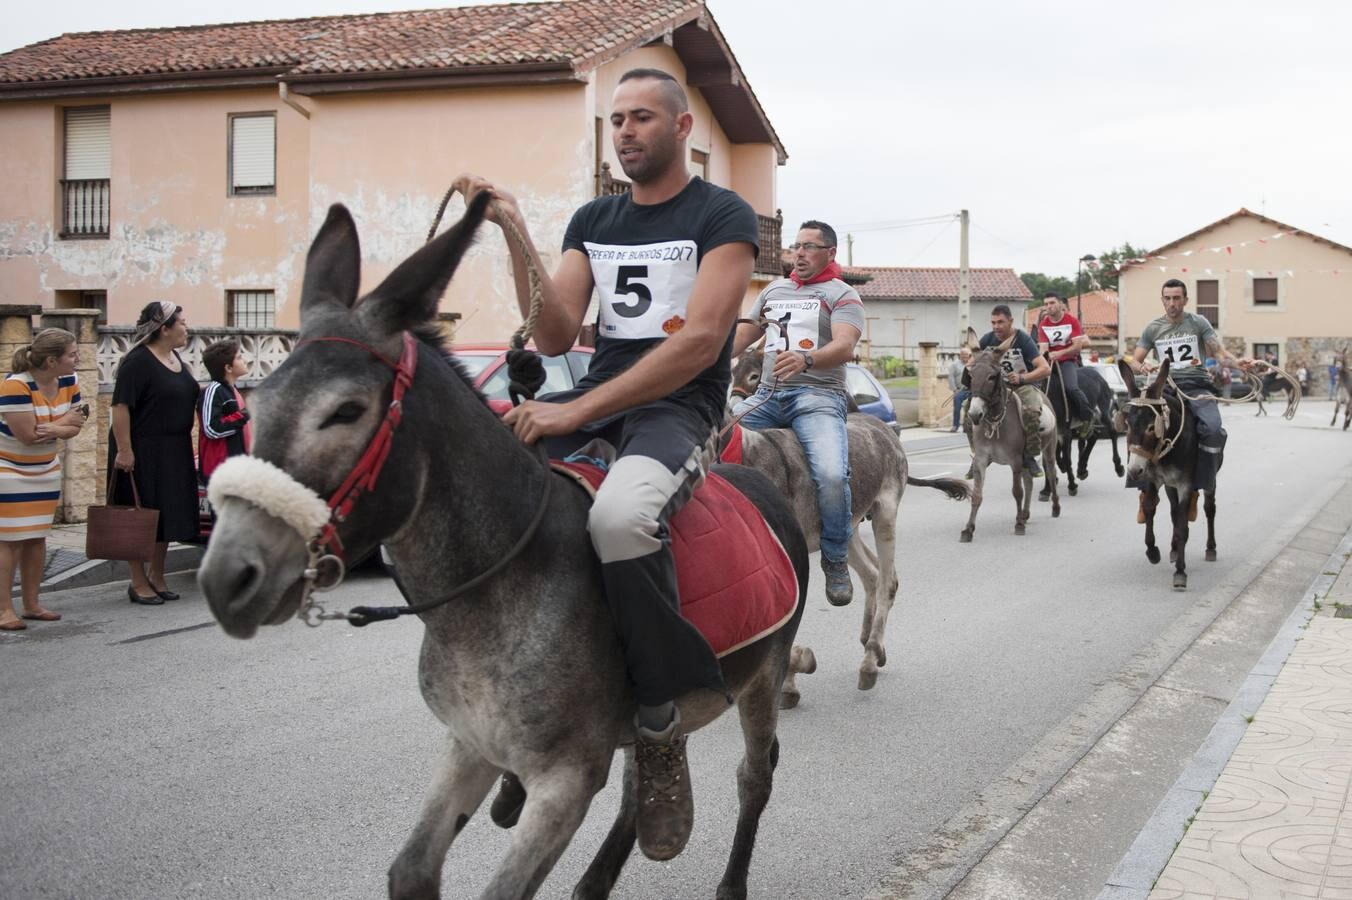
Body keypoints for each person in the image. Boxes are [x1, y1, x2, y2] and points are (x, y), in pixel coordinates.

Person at [453, 67, 758, 862]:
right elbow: (554, 336)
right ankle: (537, 704)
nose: (625, 132)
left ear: (684, 128)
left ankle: (658, 725)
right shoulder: (595, 218)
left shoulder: (721, 214)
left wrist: (574, 411)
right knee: (508, 511)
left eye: (641, 119)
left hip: (678, 408)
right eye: (616, 120)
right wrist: (517, 228)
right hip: (595, 400)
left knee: (620, 521)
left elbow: (699, 340)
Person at [730, 220, 863, 605]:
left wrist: (807, 358)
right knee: (713, 440)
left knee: (833, 474)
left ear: (830, 254)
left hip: (817, 397)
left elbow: (844, 346)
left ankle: (836, 558)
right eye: (796, 245)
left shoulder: (842, 295)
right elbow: (745, 335)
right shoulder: (774, 289)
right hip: (768, 394)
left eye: (809, 246)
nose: (799, 254)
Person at [1126, 279, 1252, 509]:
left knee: (1213, 430)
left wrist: (1239, 363)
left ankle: (1201, 484)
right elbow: (1135, 359)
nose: (1172, 303)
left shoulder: (1198, 323)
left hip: (1196, 386)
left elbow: (1221, 355)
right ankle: (1144, 492)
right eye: (1168, 298)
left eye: (1177, 298)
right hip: (1165, 387)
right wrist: (1139, 366)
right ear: (1162, 299)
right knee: (1139, 424)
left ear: (1185, 300)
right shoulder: (1153, 328)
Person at [109, 301, 200, 605]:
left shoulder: (175, 357)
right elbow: (120, 406)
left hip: (174, 448)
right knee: (140, 515)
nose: (187, 328)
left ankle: (157, 576)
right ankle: (137, 581)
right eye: (182, 322)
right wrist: (124, 450)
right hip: (143, 447)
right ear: (164, 328)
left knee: (167, 513)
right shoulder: (137, 362)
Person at [0, 329, 87, 631]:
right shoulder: (15, 386)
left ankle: (32, 604)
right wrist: (61, 425)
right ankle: (3, 609)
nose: (79, 359)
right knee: (9, 540)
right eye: (73, 354)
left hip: (45, 468)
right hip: (9, 470)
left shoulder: (69, 381)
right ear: (52, 360)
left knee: (37, 537)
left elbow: (78, 424)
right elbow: (26, 436)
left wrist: (49, 428)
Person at [973, 305, 1051, 476]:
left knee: (1031, 409)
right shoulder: (987, 340)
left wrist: (1023, 378)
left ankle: (1031, 455)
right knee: (968, 407)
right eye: (993, 322)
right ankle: (976, 454)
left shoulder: (1023, 340)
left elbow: (1045, 368)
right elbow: (976, 363)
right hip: (997, 389)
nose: (996, 326)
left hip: (1024, 386)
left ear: (1011, 321)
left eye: (1000, 322)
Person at [1035, 292, 1094, 435]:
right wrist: (1045, 358)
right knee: (1036, 388)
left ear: (1060, 304)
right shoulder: (1043, 324)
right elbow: (1043, 348)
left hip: (1067, 362)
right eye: (1046, 304)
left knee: (1071, 388)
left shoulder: (1072, 321)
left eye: (1052, 303)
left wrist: (1060, 353)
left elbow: (1078, 346)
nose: (1049, 307)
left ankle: (1087, 417)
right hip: (1050, 363)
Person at [198, 339, 252, 482]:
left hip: (237, 468)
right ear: (228, 368)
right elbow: (211, 429)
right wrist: (243, 415)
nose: (245, 360)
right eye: (239, 358)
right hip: (220, 471)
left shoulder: (232, 389)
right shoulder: (214, 391)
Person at [949, 347, 972, 432]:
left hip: (971, 390)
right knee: (957, 407)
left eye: (968, 355)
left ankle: (966, 426)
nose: (966, 356)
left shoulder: (972, 364)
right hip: (960, 391)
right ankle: (955, 425)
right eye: (964, 355)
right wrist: (955, 390)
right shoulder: (954, 365)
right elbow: (950, 377)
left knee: (969, 408)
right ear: (960, 355)